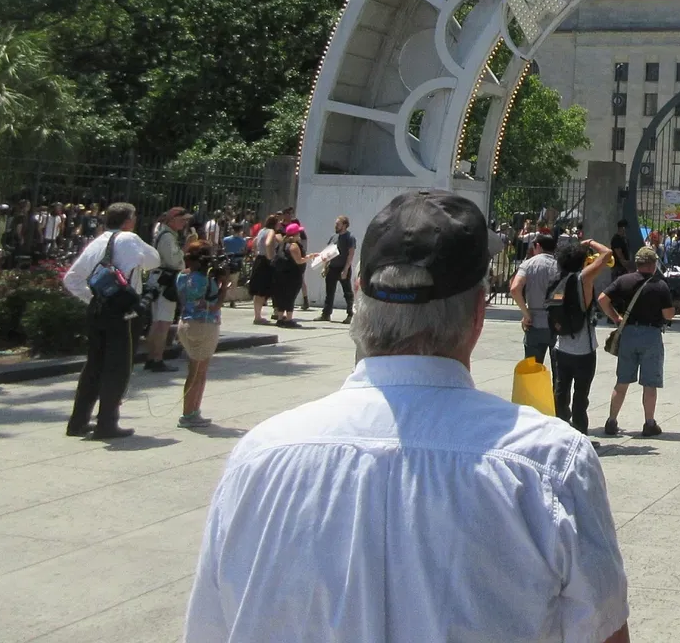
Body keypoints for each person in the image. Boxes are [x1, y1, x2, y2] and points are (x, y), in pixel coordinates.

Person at [185, 189, 631, 643]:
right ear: (478, 315)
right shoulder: (549, 463)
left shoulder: (258, 459)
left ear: (359, 296)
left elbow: (208, 627)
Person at [62, 203, 162, 440]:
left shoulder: (97, 242)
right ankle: (107, 423)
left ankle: (78, 421)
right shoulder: (130, 239)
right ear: (128, 220)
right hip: (123, 313)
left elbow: (71, 279)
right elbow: (154, 261)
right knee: (118, 367)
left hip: (97, 311)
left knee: (94, 365)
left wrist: (95, 298)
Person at [598, 245, 675, 438]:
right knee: (650, 383)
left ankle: (611, 420)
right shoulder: (660, 285)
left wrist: (616, 317)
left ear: (638, 263)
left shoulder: (623, 280)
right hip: (651, 335)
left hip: (629, 333)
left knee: (622, 381)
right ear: (654, 264)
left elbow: (602, 299)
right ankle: (649, 423)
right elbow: (668, 314)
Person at [549, 235, 611, 434]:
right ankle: (579, 432)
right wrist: (590, 242)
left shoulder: (557, 277)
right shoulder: (583, 279)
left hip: (561, 346)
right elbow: (607, 254)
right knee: (581, 395)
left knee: (560, 391)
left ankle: (560, 429)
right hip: (584, 349)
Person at [176, 238, 227, 429]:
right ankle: (189, 413)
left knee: (193, 369)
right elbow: (215, 305)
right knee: (199, 372)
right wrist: (224, 285)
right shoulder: (206, 280)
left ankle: (192, 411)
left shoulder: (182, 276)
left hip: (185, 322)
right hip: (205, 324)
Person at [145, 206, 189, 372]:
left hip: (158, 279)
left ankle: (152, 357)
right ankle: (157, 358)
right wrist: (186, 248)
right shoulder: (167, 237)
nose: (184, 223)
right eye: (182, 220)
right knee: (163, 322)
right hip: (165, 280)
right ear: (172, 219)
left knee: (157, 321)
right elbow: (174, 261)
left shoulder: (163, 233)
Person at [511, 231, 560, 363]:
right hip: (556, 323)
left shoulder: (528, 264)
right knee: (560, 373)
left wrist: (526, 314)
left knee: (533, 369)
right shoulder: (560, 266)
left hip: (535, 322)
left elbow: (515, 289)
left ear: (538, 246)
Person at [319, 215, 357, 322]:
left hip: (342, 267)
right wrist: (324, 267)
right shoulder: (333, 237)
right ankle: (326, 314)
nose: (335, 225)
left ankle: (351, 315)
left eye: (338, 224)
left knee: (347, 292)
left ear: (344, 225)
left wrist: (346, 269)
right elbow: (328, 253)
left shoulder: (350, 237)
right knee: (329, 292)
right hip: (332, 267)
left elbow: (351, 254)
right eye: (336, 223)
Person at [271, 223, 307, 327]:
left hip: (281, 274)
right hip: (292, 275)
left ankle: (280, 318)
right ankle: (289, 319)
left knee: (282, 296)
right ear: (294, 234)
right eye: (298, 233)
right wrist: (310, 257)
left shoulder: (282, 244)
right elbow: (299, 261)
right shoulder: (294, 245)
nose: (299, 235)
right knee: (290, 296)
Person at [249, 214, 278, 324]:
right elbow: (268, 243)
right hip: (266, 261)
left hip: (259, 259)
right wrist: (270, 257)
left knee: (257, 290)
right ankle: (258, 317)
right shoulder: (271, 231)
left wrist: (256, 252)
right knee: (262, 289)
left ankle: (257, 315)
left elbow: (255, 242)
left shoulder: (261, 230)